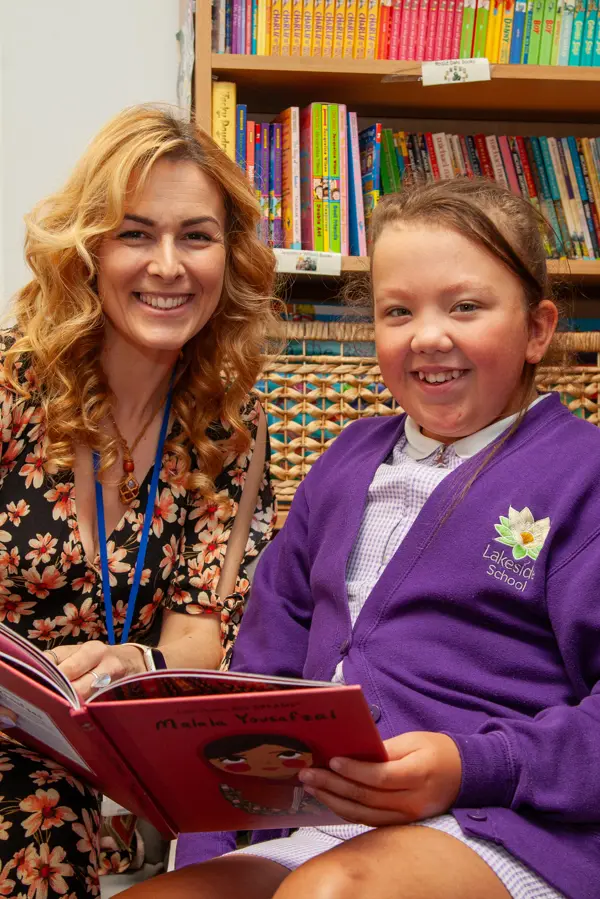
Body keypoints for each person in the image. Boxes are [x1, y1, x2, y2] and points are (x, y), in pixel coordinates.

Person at [123, 178, 600, 899]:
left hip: (508, 821)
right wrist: (203, 851)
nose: (429, 335)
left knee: (332, 894)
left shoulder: (582, 475)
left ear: (536, 329)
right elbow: (256, 679)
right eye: (398, 311)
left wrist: (472, 765)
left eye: (465, 306)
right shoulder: (345, 462)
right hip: (321, 828)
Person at [0, 104, 277, 898]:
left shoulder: (231, 424)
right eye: (134, 234)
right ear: (87, 249)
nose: (168, 265)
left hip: (113, 762)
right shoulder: (12, 390)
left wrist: (133, 660)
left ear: (230, 255)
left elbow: (200, 630)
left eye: (196, 235)